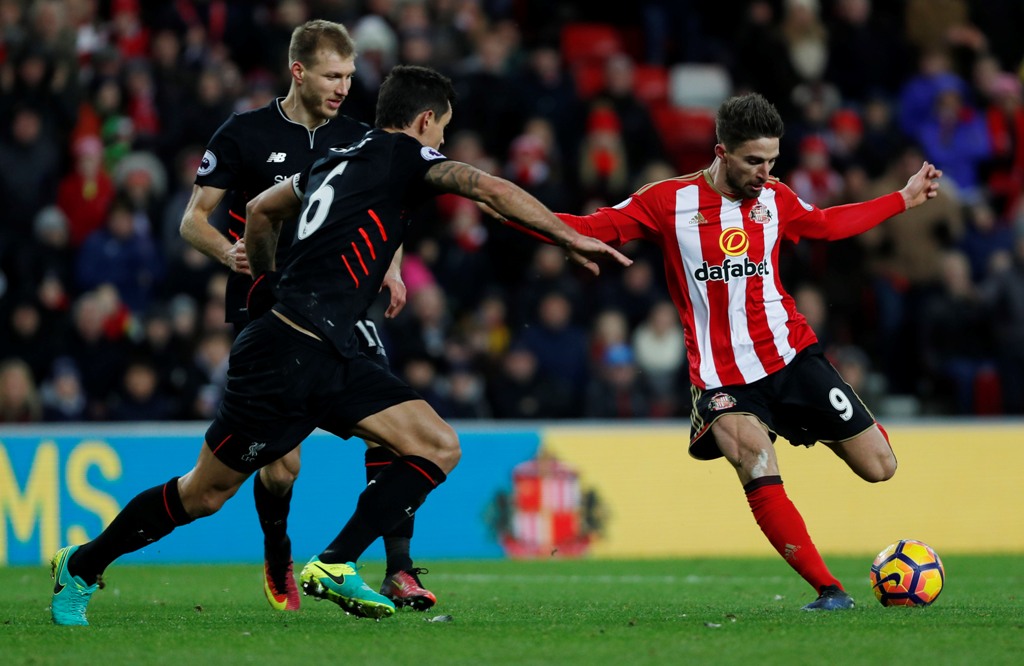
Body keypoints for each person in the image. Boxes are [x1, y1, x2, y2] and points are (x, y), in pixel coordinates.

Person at [49, 64, 630, 626]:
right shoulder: (405, 155)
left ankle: (336, 560)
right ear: (426, 121)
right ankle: (81, 565)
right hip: (284, 357)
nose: (445, 140)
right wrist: (570, 234)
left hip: (326, 349)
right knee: (203, 495)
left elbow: (259, 209)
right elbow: (488, 189)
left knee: (435, 445)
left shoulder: (336, 156)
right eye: (444, 128)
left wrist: (268, 283)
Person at [498, 92, 942, 610]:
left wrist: (902, 199)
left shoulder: (775, 199)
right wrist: (504, 205)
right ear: (721, 152)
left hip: (792, 356)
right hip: (721, 378)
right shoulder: (667, 201)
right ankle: (829, 591)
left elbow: (825, 224)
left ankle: (827, 429)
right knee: (755, 457)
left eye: (773, 161)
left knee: (880, 466)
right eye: (755, 161)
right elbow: (593, 227)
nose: (766, 172)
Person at [177, 19, 429, 612]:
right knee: (281, 466)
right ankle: (276, 548)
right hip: (267, 307)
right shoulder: (244, 133)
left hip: (339, 305)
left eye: (348, 74)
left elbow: (385, 211)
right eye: (333, 75)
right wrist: (230, 253)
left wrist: (390, 267)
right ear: (298, 71)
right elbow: (193, 219)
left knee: (397, 422)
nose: (345, 86)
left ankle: (398, 567)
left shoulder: (358, 137)